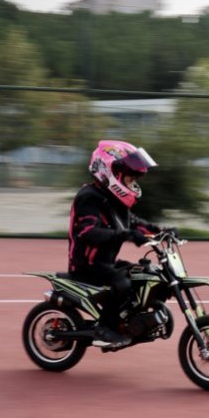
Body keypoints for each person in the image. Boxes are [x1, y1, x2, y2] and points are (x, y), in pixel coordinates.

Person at [68, 140, 164, 348]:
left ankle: (128, 321)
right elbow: (87, 232)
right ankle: (104, 328)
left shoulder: (113, 199)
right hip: (87, 265)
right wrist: (126, 235)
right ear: (108, 171)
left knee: (145, 273)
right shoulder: (89, 198)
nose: (132, 183)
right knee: (122, 282)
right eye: (129, 178)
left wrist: (160, 231)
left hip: (106, 263)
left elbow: (134, 223)